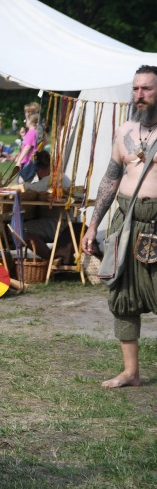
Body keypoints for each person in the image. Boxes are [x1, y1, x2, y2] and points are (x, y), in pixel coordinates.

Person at [81, 65, 157, 389]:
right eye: (136, 89)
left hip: (156, 223)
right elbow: (111, 179)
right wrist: (92, 225)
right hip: (124, 222)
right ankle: (131, 372)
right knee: (122, 296)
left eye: (147, 89)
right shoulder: (123, 131)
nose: (140, 95)